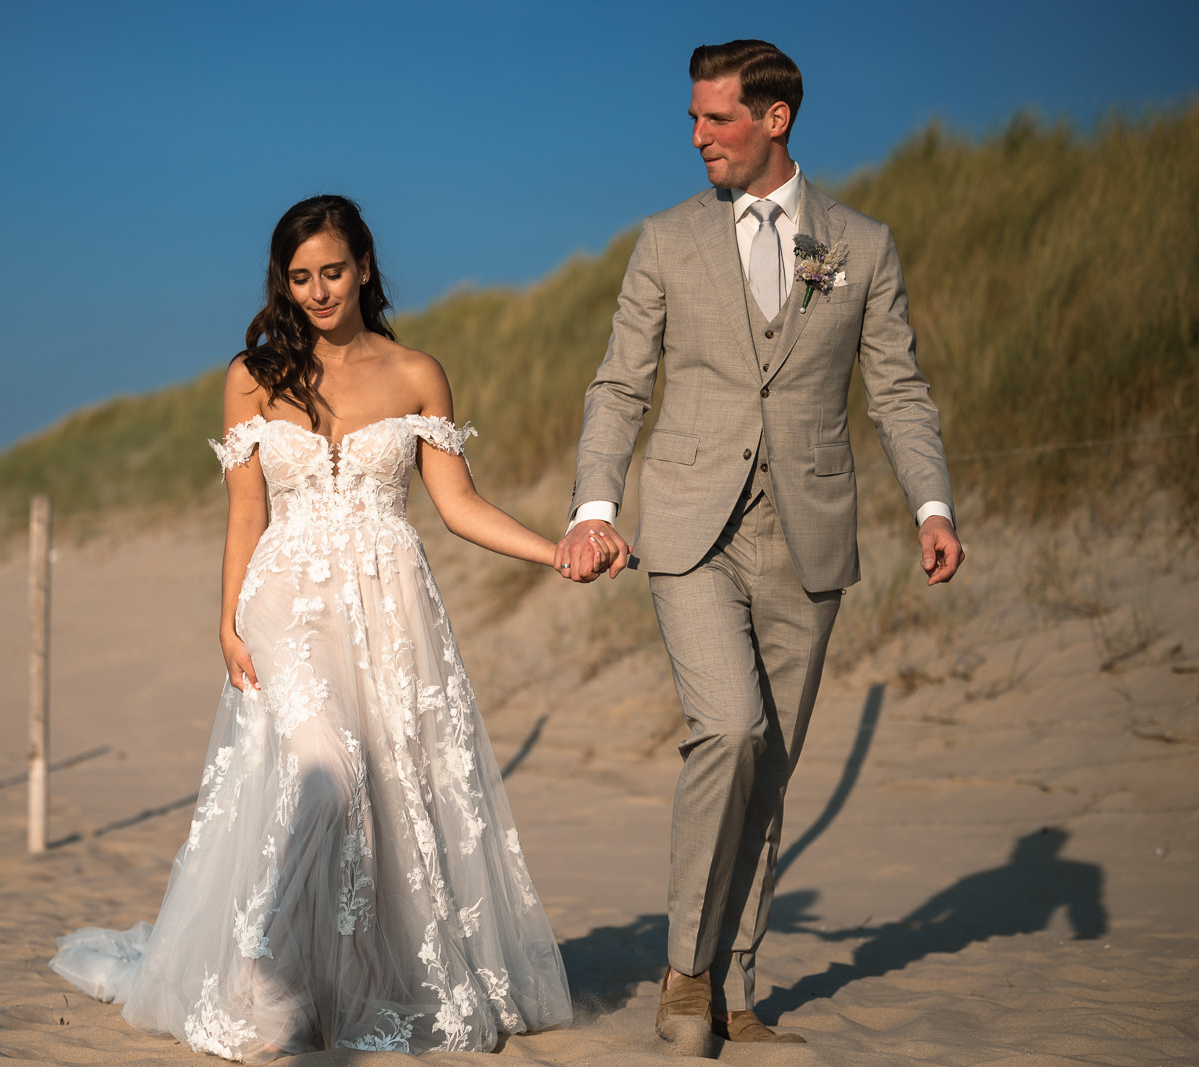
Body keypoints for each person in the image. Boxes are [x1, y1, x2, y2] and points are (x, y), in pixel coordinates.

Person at [50, 194, 577, 1062]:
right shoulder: (253, 377)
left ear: (365, 265)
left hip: (389, 603)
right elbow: (244, 515)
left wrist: (552, 550)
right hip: (284, 597)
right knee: (328, 769)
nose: (318, 291)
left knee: (379, 788)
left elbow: (457, 502)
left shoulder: (417, 373)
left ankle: (333, 975)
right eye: (300, 278)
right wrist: (226, 622)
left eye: (333, 271)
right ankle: (260, 961)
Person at [553, 40, 964, 1053]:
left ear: (775, 118)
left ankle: (737, 979)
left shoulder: (859, 246)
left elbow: (897, 389)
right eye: (691, 119)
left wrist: (931, 507)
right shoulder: (663, 240)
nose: (696, 137)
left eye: (716, 120)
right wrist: (593, 504)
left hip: (809, 531)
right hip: (692, 523)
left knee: (771, 764)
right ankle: (686, 969)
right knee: (728, 728)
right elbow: (619, 385)